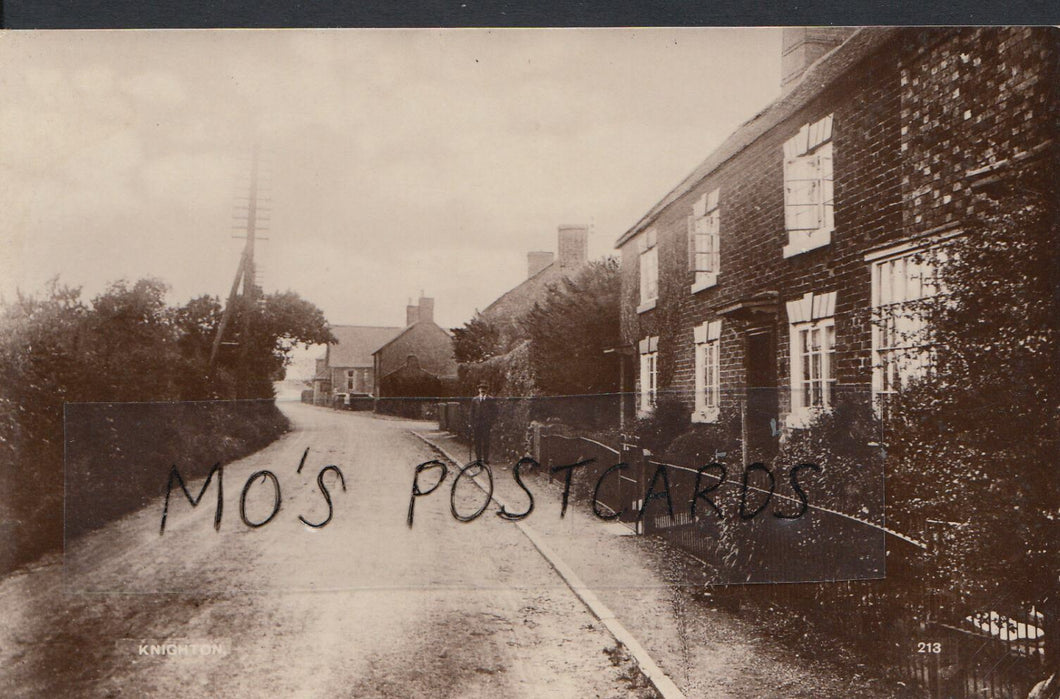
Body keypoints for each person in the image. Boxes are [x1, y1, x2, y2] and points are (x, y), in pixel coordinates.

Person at [469, 382, 496, 464]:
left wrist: (491, 422)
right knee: (477, 442)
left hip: (486, 424)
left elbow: (495, 412)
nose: (482, 390)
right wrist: (471, 423)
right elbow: (471, 412)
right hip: (477, 424)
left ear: (487, 390)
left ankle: (486, 459)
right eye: (481, 389)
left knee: (486, 442)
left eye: (484, 389)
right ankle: (478, 459)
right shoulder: (474, 400)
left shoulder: (491, 400)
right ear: (479, 390)